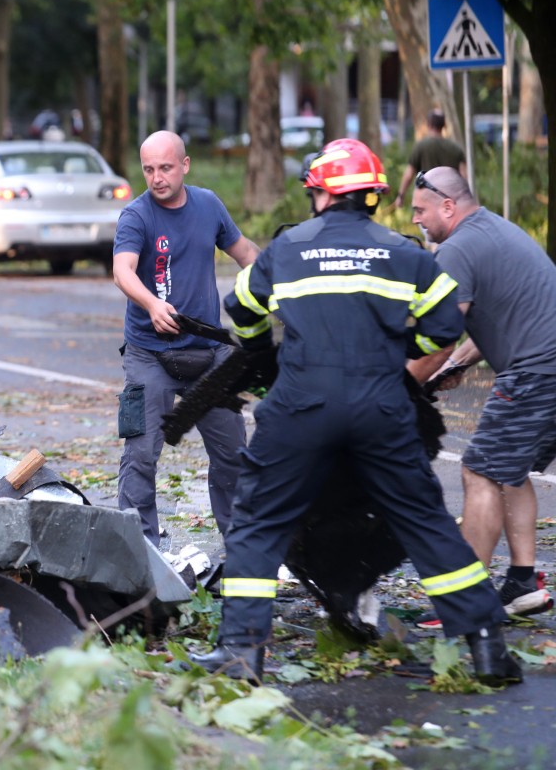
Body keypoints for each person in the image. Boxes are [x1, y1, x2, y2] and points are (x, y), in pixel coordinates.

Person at [191, 139, 520, 686]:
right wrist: (394, 346)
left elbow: (241, 310)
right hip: (382, 407)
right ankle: (488, 648)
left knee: (257, 519)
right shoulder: (407, 254)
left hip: (301, 406)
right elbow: (442, 327)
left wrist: (259, 352)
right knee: (427, 524)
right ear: (372, 196)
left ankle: (241, 654)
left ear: (320, 193)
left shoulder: (288, 247)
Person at [407, 165, 556, 626]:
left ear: (448, 206)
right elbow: (492, 318)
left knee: (478, 471)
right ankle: (522, 582)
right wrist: (459, 367)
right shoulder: (492, 229)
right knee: (508, 471)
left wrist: (397, 387)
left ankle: (464, 600)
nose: (415, 220)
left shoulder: (457, 248)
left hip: (536, 372)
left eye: (420, 210)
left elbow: (441, 335)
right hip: (548, 366)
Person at [112, 130, 259, 545]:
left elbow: (246, 254)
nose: (157, 177)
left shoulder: (208, 205)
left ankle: (244, 547)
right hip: (148, 355)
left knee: (234, 453)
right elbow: (123, 270)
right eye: (148, 169)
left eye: (165, 168)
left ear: (185, 165)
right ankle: (140, 550)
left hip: (208, 354)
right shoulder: (136, 217)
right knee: (140, 454)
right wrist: (152, 304)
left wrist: (282, 291)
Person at [393, 109, 466, 209]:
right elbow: (464, 177)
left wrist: (401, 196)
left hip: (427, 201)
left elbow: (409, 174)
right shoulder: (456, 149)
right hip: (450, 202)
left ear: (428, 124)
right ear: (444, 125)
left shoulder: (421, 147)